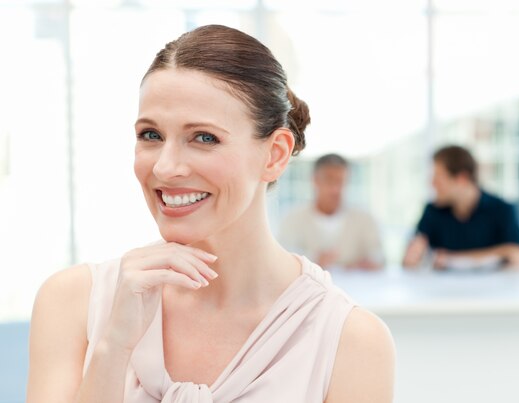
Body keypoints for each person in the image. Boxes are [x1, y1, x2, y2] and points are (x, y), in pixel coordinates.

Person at [26, 25, 395, 403]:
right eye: (151, 135)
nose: (166, 168)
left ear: (276, 154)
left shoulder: (349, 342)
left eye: (204, 138)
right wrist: (112, 349)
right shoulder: (73, 303)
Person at [402, 145, 519, 270]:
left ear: (462, 178)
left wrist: (451, 259)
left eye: (438, 177)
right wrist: (412, 258)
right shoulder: (433, 211)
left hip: (494, 288)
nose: (432, 184)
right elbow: (410, 260)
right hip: (443, 288)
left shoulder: (502, 209)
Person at [279, 153, 385, 270]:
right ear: (315, 180)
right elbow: (283, 257)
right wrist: (314, 260)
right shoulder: (293, 218)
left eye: (340, 181)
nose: (335, 189)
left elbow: (379, 256)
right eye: (329, 180)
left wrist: (368, 263)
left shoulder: (365, 219)